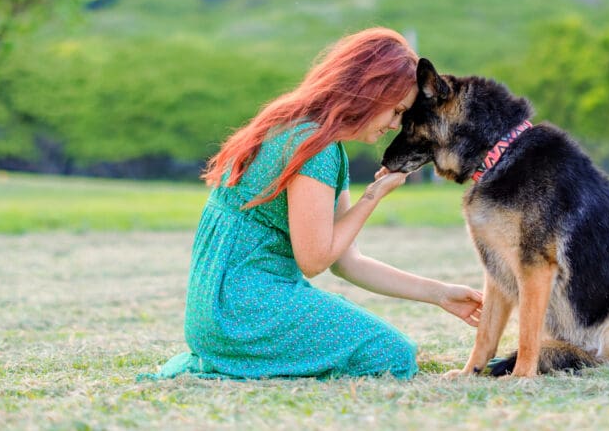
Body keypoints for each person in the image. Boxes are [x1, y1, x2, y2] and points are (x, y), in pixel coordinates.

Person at [146, 28, 483, 381]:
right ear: (369, 92)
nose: (396, 125)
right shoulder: (314, 148)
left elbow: (347, 261)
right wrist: (373, 196)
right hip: (243, 313)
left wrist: (440, 294)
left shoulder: (304, 132)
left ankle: (237, 358)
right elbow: (314, 260)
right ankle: (239, 360)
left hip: (217, 312)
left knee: (390, 351)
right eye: (396, 111)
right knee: (392, 356)